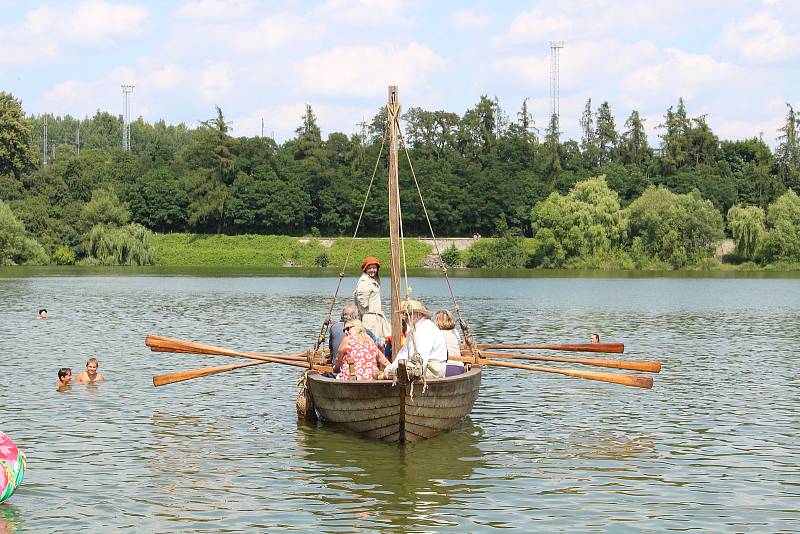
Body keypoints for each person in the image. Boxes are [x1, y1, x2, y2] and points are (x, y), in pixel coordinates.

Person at [385, 300, 448, 379]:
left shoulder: (426, 328)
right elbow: (404, 352)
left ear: (419, 314)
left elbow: (422, 357)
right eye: (405, 314)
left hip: (432, 371)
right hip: (420, 367)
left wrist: (400, 372)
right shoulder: (414, 329)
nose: (406, 317)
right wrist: (391, 368)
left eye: (409, 314)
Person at [354, 256, 390, 340]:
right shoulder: (364, 282)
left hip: (376, 316)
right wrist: (370, 308)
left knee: (381, 339)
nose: (372, 270)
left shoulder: (372, 280)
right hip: (370, 318)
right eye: (369, 268)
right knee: (372, 341)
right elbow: (363, 302)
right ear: (365, 269)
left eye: (374, 268)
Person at [433, 309, 464, 376]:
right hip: (459, 367)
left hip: (444, 368)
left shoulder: (436, 333)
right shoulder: (455, 332)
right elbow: (460, 348)